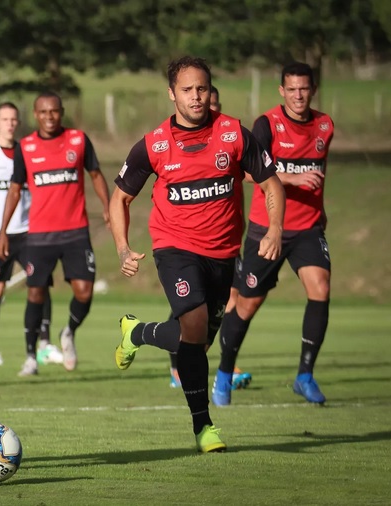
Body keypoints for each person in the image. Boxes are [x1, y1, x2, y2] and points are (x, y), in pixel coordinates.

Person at [109, 56, 285, 452]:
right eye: (187, 90)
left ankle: (136, 332)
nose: (196, 96)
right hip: (174, 248)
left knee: (199, 342)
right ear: (172, 94)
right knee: (193, 323)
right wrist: (122, 248)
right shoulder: (154, 144)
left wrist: (274, 228)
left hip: (224, 255)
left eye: (202, 89)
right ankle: (204, 427)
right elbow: (119, 198)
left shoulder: (234, 135)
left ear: (211, 91)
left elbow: (272, 186)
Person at [213, 62, 334, 406]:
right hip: (267, 229)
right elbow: (247, 174)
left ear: (313, 90)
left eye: (304, 89)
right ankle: (223, 373)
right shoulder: (267, 125)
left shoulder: (325, 125)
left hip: (308, 227)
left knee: (320, 288)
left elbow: (318, 171)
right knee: (248, 304)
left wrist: (320, 209)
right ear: (282, 91)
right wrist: (293, 179)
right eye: (292, 89)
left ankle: (305, 376)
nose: (298, 95)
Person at [0, 92, 110, 376]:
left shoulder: (78, 140)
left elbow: (95, 175)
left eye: (54, 112)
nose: (49, 117)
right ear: (36, 115)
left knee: (84, 292)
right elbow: (14, 189)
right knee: (35, 293)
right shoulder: (26, 147)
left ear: (61, 112)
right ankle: (31, 357)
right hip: (40, 236)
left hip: (75, 232)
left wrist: (109, 208)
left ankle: (68, 331)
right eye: (44, 112)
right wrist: (3, 231)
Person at [0, 102, 62, 367]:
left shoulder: (27, 151)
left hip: (29, 232)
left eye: (14, 119)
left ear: (18, 123)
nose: (9, 123)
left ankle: (45, 344)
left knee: (40, 284)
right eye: (4, 119)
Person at [167, 85, 252, 392]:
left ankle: (204, 361)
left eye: (212, 101)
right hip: (190, 241)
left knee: (225, 301)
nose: (204, 104)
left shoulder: (231, 136)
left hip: (225, 238)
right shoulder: (179, 142)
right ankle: (180, 366)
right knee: (193, 306)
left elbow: (252, 172)